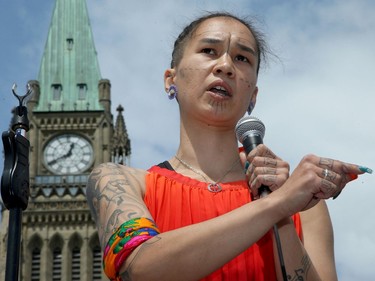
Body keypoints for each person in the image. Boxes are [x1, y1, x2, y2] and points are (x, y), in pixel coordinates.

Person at [86, 12, 371, 281]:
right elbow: (141, 268)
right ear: (170, 79)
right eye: (209, 51)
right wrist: (276, 205)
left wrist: (282, 212)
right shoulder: (118, 181)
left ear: (253, 96)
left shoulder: (303, 202)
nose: (225, 66)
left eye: (242, 58)